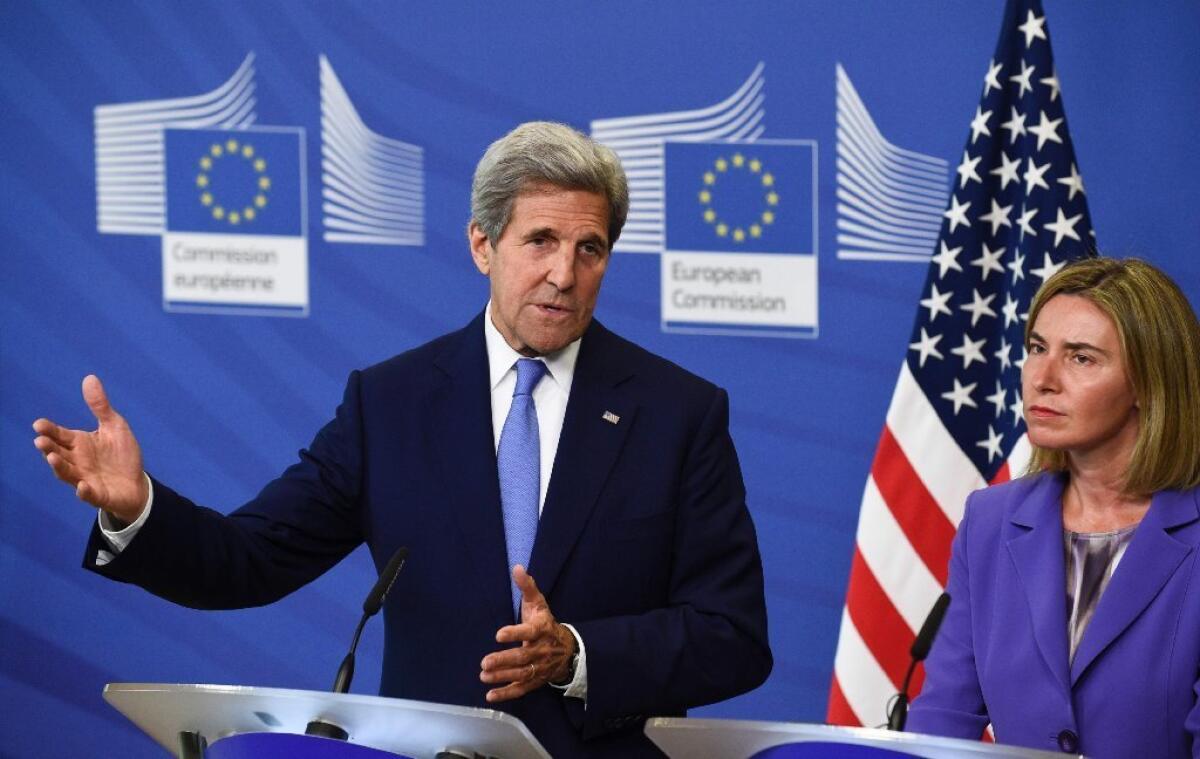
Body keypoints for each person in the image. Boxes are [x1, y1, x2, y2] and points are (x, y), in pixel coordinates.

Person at [31, 122, 772, 757]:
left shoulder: (678, 412)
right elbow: (247, 560)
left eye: (590, 248)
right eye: (540, 240)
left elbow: (733, 634)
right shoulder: (389, 402)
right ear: (482, 244)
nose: (564, 273)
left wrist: (576, 655)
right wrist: (137, 510)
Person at [907, 257, 1200, 757]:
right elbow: (944, 717)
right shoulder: (990, 522)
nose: (1042, 378)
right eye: (1037, 349)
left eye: (1081, 358)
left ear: (1149, 385)